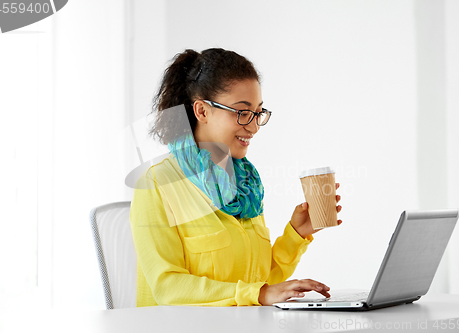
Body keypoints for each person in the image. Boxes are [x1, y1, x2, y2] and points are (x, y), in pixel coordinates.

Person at [130, 48, 342, 306]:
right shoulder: (156, 184)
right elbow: (167, 288)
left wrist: (297, 234)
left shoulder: (246, 185)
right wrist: (258, 294)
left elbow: (258, 281)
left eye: (258, 113)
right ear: (202, 111)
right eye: (242, 112)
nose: (253, 126)